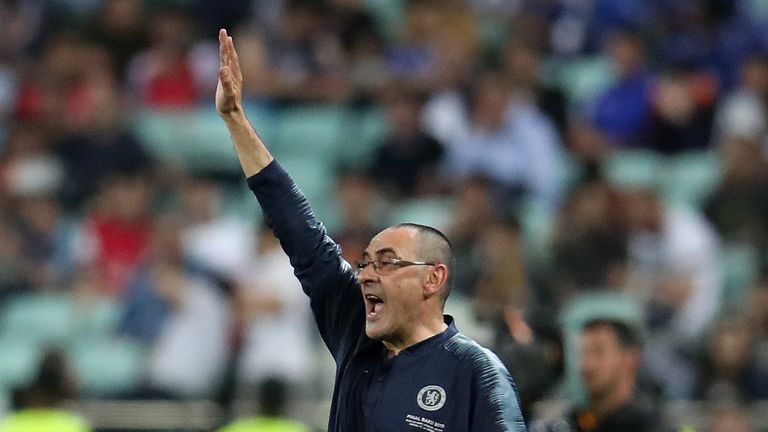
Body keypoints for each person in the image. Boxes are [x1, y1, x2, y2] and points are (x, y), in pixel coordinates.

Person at [215, 29, 526, 431]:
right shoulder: (353, 330)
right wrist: (236, 120)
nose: (367, 274)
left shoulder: (475, 371)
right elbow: (300, 233)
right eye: (365, 263)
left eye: (387, 262)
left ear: (433, 278)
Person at [569, 319, 658, 432]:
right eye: (583, 353)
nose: (586, 365)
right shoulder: (576, 421)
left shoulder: (651, 425)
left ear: (630, 359)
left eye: (599, 352)